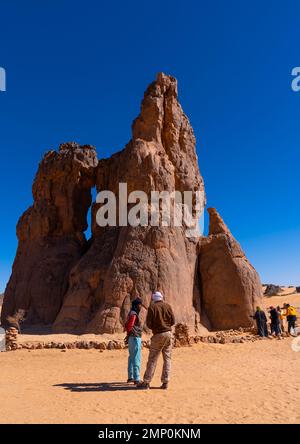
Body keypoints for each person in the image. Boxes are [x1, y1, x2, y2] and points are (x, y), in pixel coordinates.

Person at [137, 291, 175, 390]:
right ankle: (165, 382)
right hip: (168, 334)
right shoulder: (168, 306)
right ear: (161, 298)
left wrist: (156, 327)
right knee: (167, 359)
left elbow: (148, 324)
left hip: (158, 334)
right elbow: (173, 321)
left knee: (153, 359)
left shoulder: (152, 307)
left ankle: (146, 382)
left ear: (154, 299)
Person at [125, 297, 143, 384]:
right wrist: (133, 333)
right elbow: (129, 326)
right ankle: (137, 378)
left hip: (131, 338)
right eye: (140, 305)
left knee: (131, 357)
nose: (141, 306)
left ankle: (130, 377)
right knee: (136, 358)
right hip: (135, 338)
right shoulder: (134, 314)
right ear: (136, 305)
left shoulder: (131, 313)